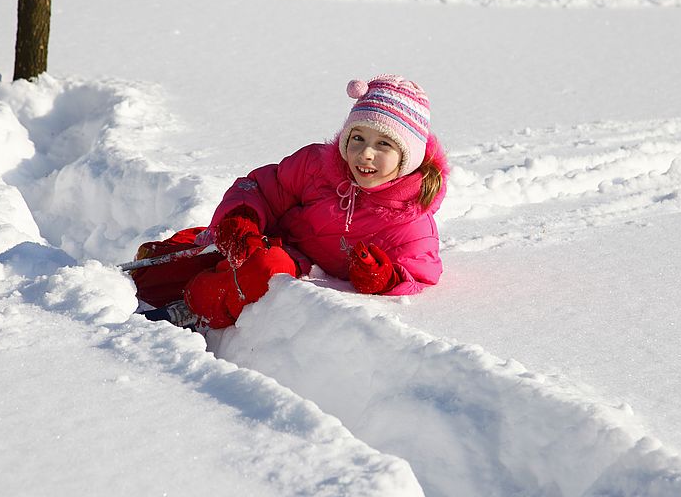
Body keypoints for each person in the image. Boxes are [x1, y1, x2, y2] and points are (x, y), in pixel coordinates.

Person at [132, 74, 449, 330]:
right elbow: (259, 187)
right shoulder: (318, 165)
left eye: (383, 145)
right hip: (267, 238)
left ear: (408, 158)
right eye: (357, 139)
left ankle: (193, 308)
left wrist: (383, 277)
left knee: (267, 269)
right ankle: (141, 276)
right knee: (193, 259)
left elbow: (421, 271)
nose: (366, 153)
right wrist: (241, 218)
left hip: (301, 266)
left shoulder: (410, 219)